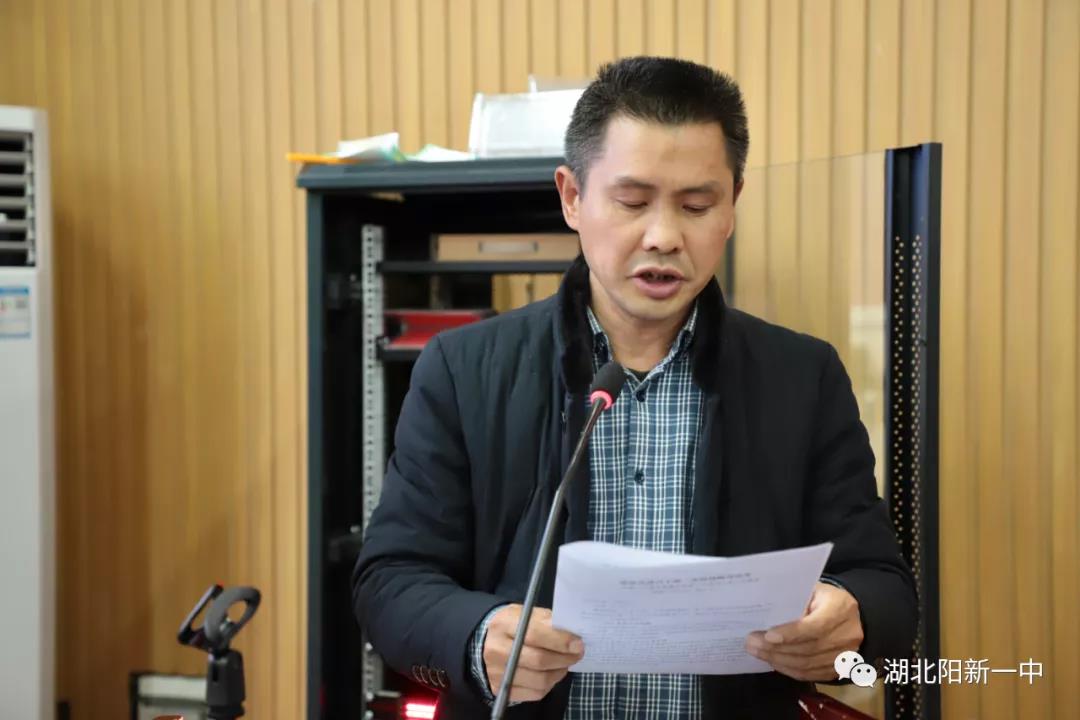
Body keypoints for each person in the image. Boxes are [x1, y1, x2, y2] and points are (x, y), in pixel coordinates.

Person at [352, 56, 917, 719]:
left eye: (697, 205)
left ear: (732, 205)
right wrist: (477, 635)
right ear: (572, 197)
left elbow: (886, 587)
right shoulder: (463, 368)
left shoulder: (802, 376)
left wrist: (850, 615)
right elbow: (389, 582)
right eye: (632, 201)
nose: (664, 236)